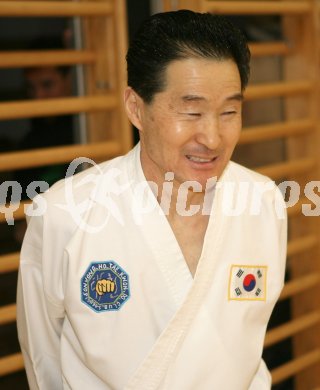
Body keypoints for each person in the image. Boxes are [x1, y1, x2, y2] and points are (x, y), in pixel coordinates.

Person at [16, 10, 287, 390]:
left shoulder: (264, 202)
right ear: (136, 108)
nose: (212, 137)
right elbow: (42, 356)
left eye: (229, 112)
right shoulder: (65, 214)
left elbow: (247, 343)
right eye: (191, 111)